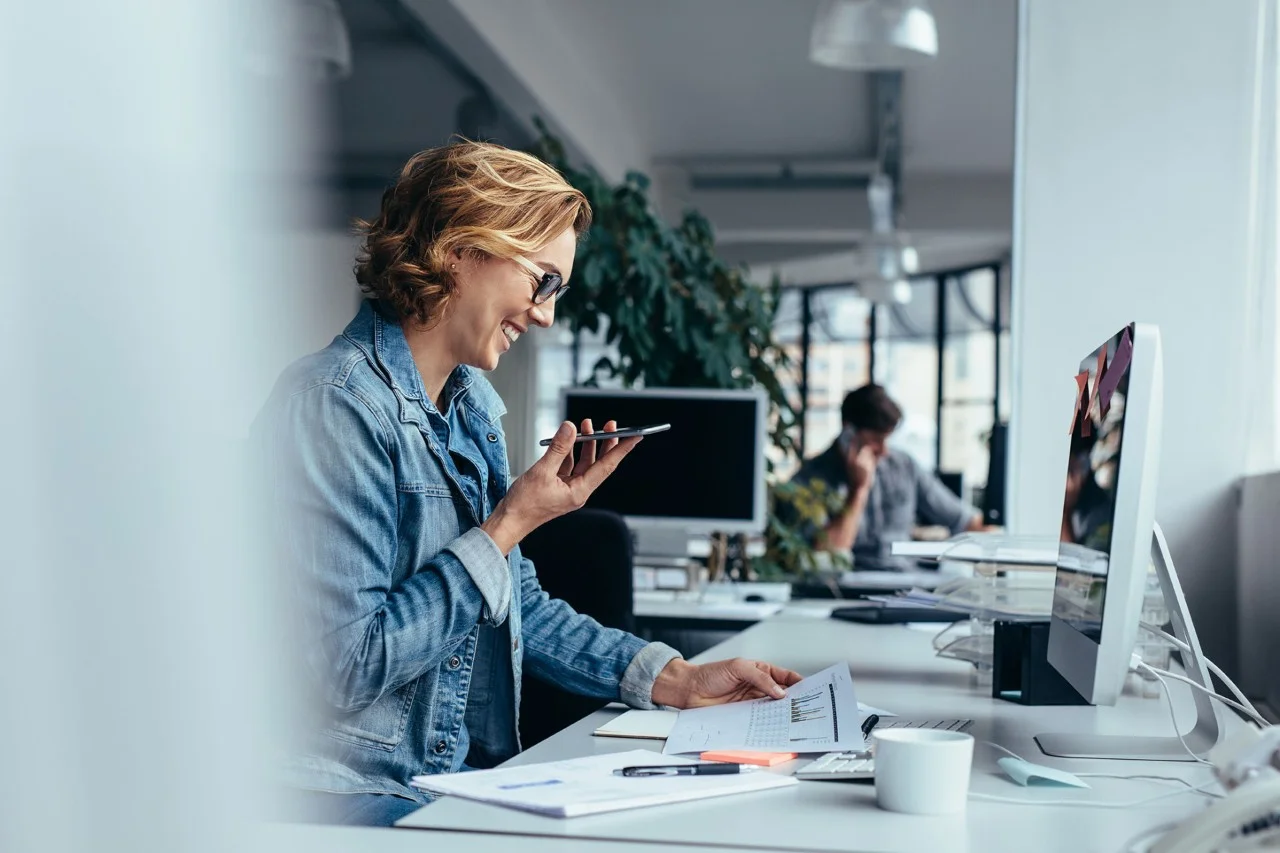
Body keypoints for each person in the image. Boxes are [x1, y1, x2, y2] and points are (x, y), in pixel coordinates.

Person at [254, 142, 801, 828]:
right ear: (460, 247)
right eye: (541, 281)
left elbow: (516, 604)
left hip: (452, 778)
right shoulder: (333, 406)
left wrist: (678, 679)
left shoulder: (472, 406)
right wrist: (508, 523)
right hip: (342, 786)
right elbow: (344, 666)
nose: (545, 314)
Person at [790, 384, 986, 571]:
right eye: (876, 440)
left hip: (905, 580)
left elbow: (965, 520)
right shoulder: (810, 478)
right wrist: (859, 489)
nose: (884, 451)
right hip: (846, 583)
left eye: (887, 439)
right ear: (849, 431)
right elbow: (827, 551)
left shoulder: (903, 466)